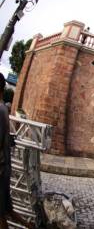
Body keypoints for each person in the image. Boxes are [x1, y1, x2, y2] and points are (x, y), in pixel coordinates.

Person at [0, 73, 33, 229]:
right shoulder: (3, 109)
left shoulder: (0, 111)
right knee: (6, 210)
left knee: (2, 213)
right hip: (4, 167)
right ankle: (30, 226)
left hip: (1, 169)